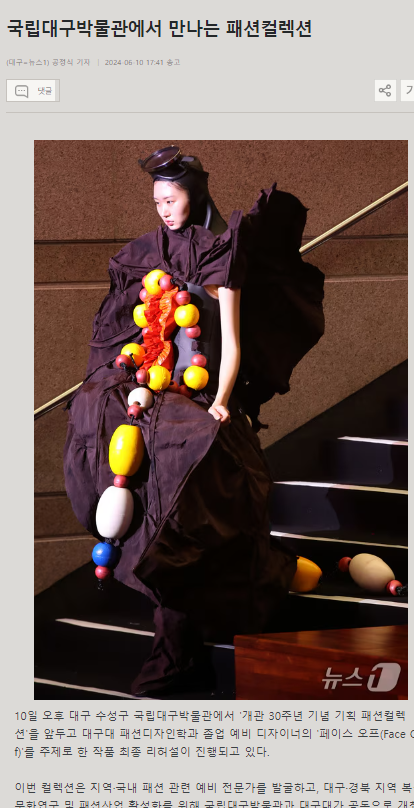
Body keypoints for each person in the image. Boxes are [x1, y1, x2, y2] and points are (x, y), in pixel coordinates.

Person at [64, 146, 325, 695]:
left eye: (172, 198)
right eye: (157, 200)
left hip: (203, 400)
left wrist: (222, 400)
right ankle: (179, 639)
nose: (163, 209)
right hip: (157, 391)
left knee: (187, 510)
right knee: (110, 442)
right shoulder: (150, 253)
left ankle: (182, 647)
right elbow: (142, 335)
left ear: (195, 195)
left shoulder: (218, 255)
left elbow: (231, 342)